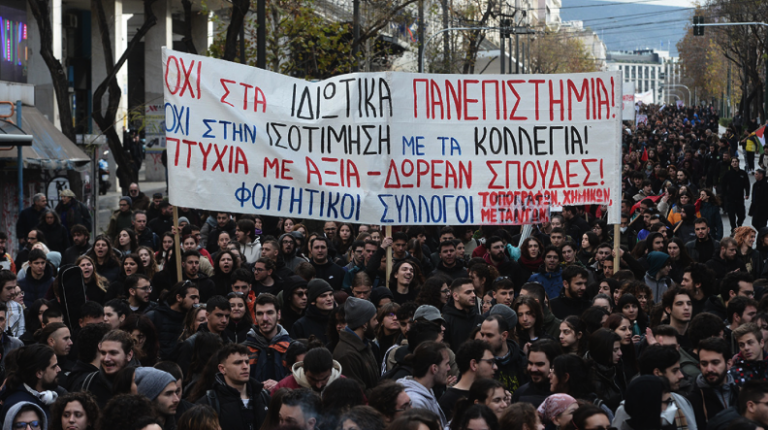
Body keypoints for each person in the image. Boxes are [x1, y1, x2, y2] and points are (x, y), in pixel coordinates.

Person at [439, 339, 497, 420]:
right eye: (490, 362)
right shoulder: (448, 401)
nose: (495, 367)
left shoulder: (489, 393)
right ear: (473, 364)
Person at [686, 337, 738, 426]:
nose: (709, 369)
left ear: (729, 364)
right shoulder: (692, 400)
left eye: (715, 363)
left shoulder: (740, 394)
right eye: (704, 364)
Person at [0, 344, 60, 422]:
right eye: (54, 367)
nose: (59, 369)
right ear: (39, 373)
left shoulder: (43, 399)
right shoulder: (20, 406)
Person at [397, 341, 450, 427]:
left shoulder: (427, 390)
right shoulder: (415, 402)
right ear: (434, 368)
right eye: (446, 364)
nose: (449, 368)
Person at [333, 297, 380, 392]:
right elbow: (358, 394)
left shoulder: (364, 344)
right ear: (364, 324)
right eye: (374, 319)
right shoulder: (347, 355)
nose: (377, 322)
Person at [245, 293, 292, 388]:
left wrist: (280, 386)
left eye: (269, 313)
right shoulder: (244, 349)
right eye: (260, 314)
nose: (265, 318)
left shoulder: (292, 347)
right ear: (255, 317)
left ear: (279, 314)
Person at [145, 282, 199, 359]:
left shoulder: (191, 319)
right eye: (193, 298)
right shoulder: (154, 316)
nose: (196, 302)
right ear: (179, 297)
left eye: (198, 298)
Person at [479, 314, 525, 395]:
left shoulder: (522, 360)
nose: (484, 340)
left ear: (504, 336)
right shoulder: (479, 362)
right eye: (482, 335)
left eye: (489, 335)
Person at [271, 346, 343, 393]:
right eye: (313, 379)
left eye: (324, 379)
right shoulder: (284, 387)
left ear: (331, 370)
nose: (318, 385)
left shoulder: (344, 386)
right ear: (303, 370)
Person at [511, 339, 560, 407]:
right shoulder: (520, 394)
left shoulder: (565, 394)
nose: (533, 369)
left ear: (553, 365)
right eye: (530, 363)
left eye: (539, 364)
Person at [443, 278, 483, 350]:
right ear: (456, 296)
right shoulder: (445, 322)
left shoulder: (480, 319)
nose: (473, 295)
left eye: (473, 292)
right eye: (468, 292)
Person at [293, 279, 335, 344]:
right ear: (313, 301)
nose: (329, 299)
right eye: (323, 296)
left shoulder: (338, 320)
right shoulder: (300, 325)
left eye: (331, 294)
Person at [721, 157, 751, 233]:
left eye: (736, 161)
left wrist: (747, 193)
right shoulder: (728, 174)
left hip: (740, 198)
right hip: (730, 198)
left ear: (738, 163)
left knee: (742, 215)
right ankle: (733, 228)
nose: (734, 163)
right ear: (731, 163)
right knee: (731, 215)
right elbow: (723, 184)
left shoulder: (743, 173)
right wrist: (724, 195)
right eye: (733, 162)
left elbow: (747, 184)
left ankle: (739, 224)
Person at [0, 271, 25, 337]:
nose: (13, 292)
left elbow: (21, 332)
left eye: (14, 288)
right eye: (8, 288)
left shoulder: (18, 307)